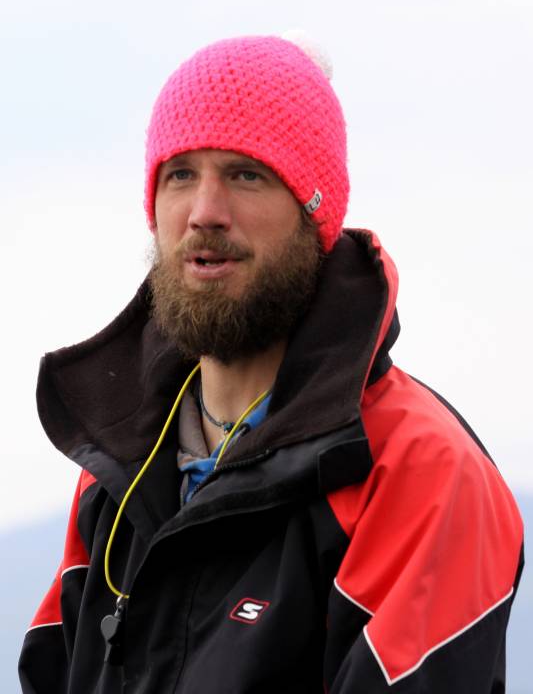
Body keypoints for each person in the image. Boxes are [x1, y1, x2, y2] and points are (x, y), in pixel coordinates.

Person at [19, 34, 523, 693]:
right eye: (180, 175)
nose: (205, 213)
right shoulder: (118, 472)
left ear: (314, 212)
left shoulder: (419, 474)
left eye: (246, 174)